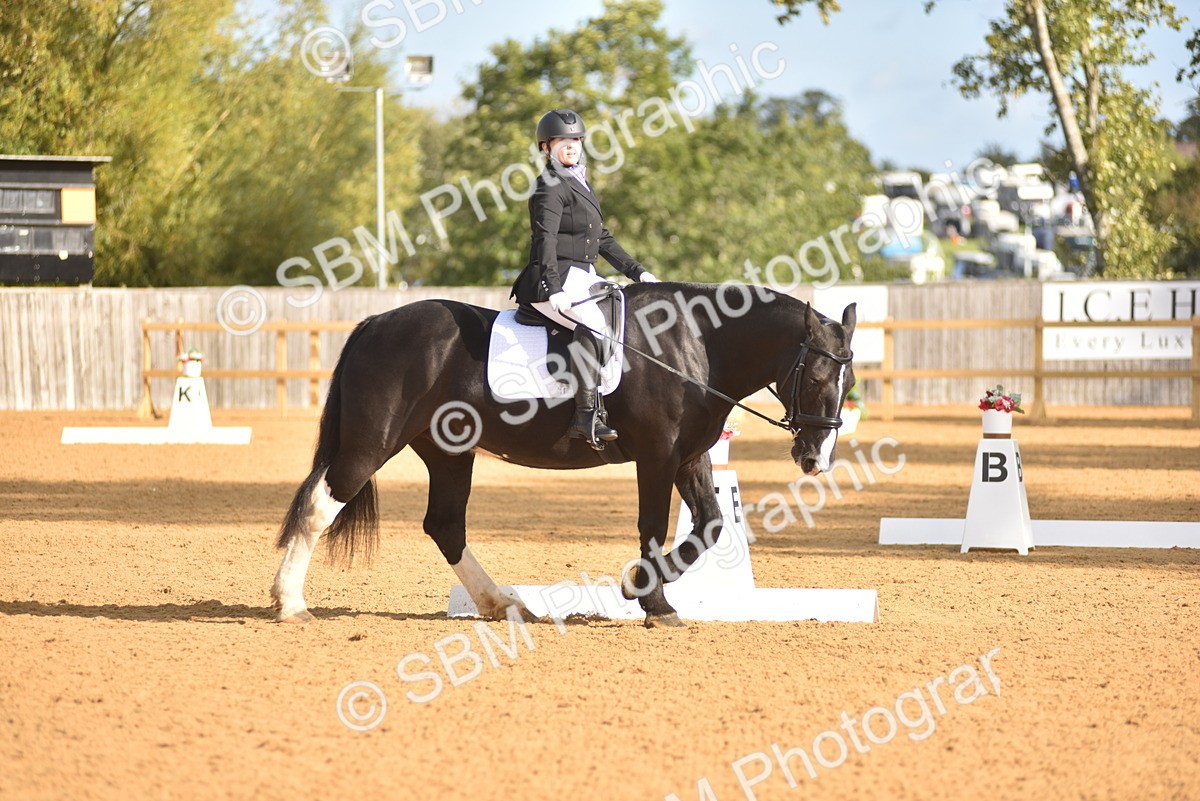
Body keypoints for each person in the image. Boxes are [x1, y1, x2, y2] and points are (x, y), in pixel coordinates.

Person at [510, 108, 660, 448]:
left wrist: (638, 272)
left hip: (583, 276)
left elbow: (601, 237)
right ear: (546, 147)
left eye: (576, 140)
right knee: (593, 325)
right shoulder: (549, 186)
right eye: (563, 141)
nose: (571, 146)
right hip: (553, 279)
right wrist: (553, 287)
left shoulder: (579, 181)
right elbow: (545, 239)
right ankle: (585, 415)